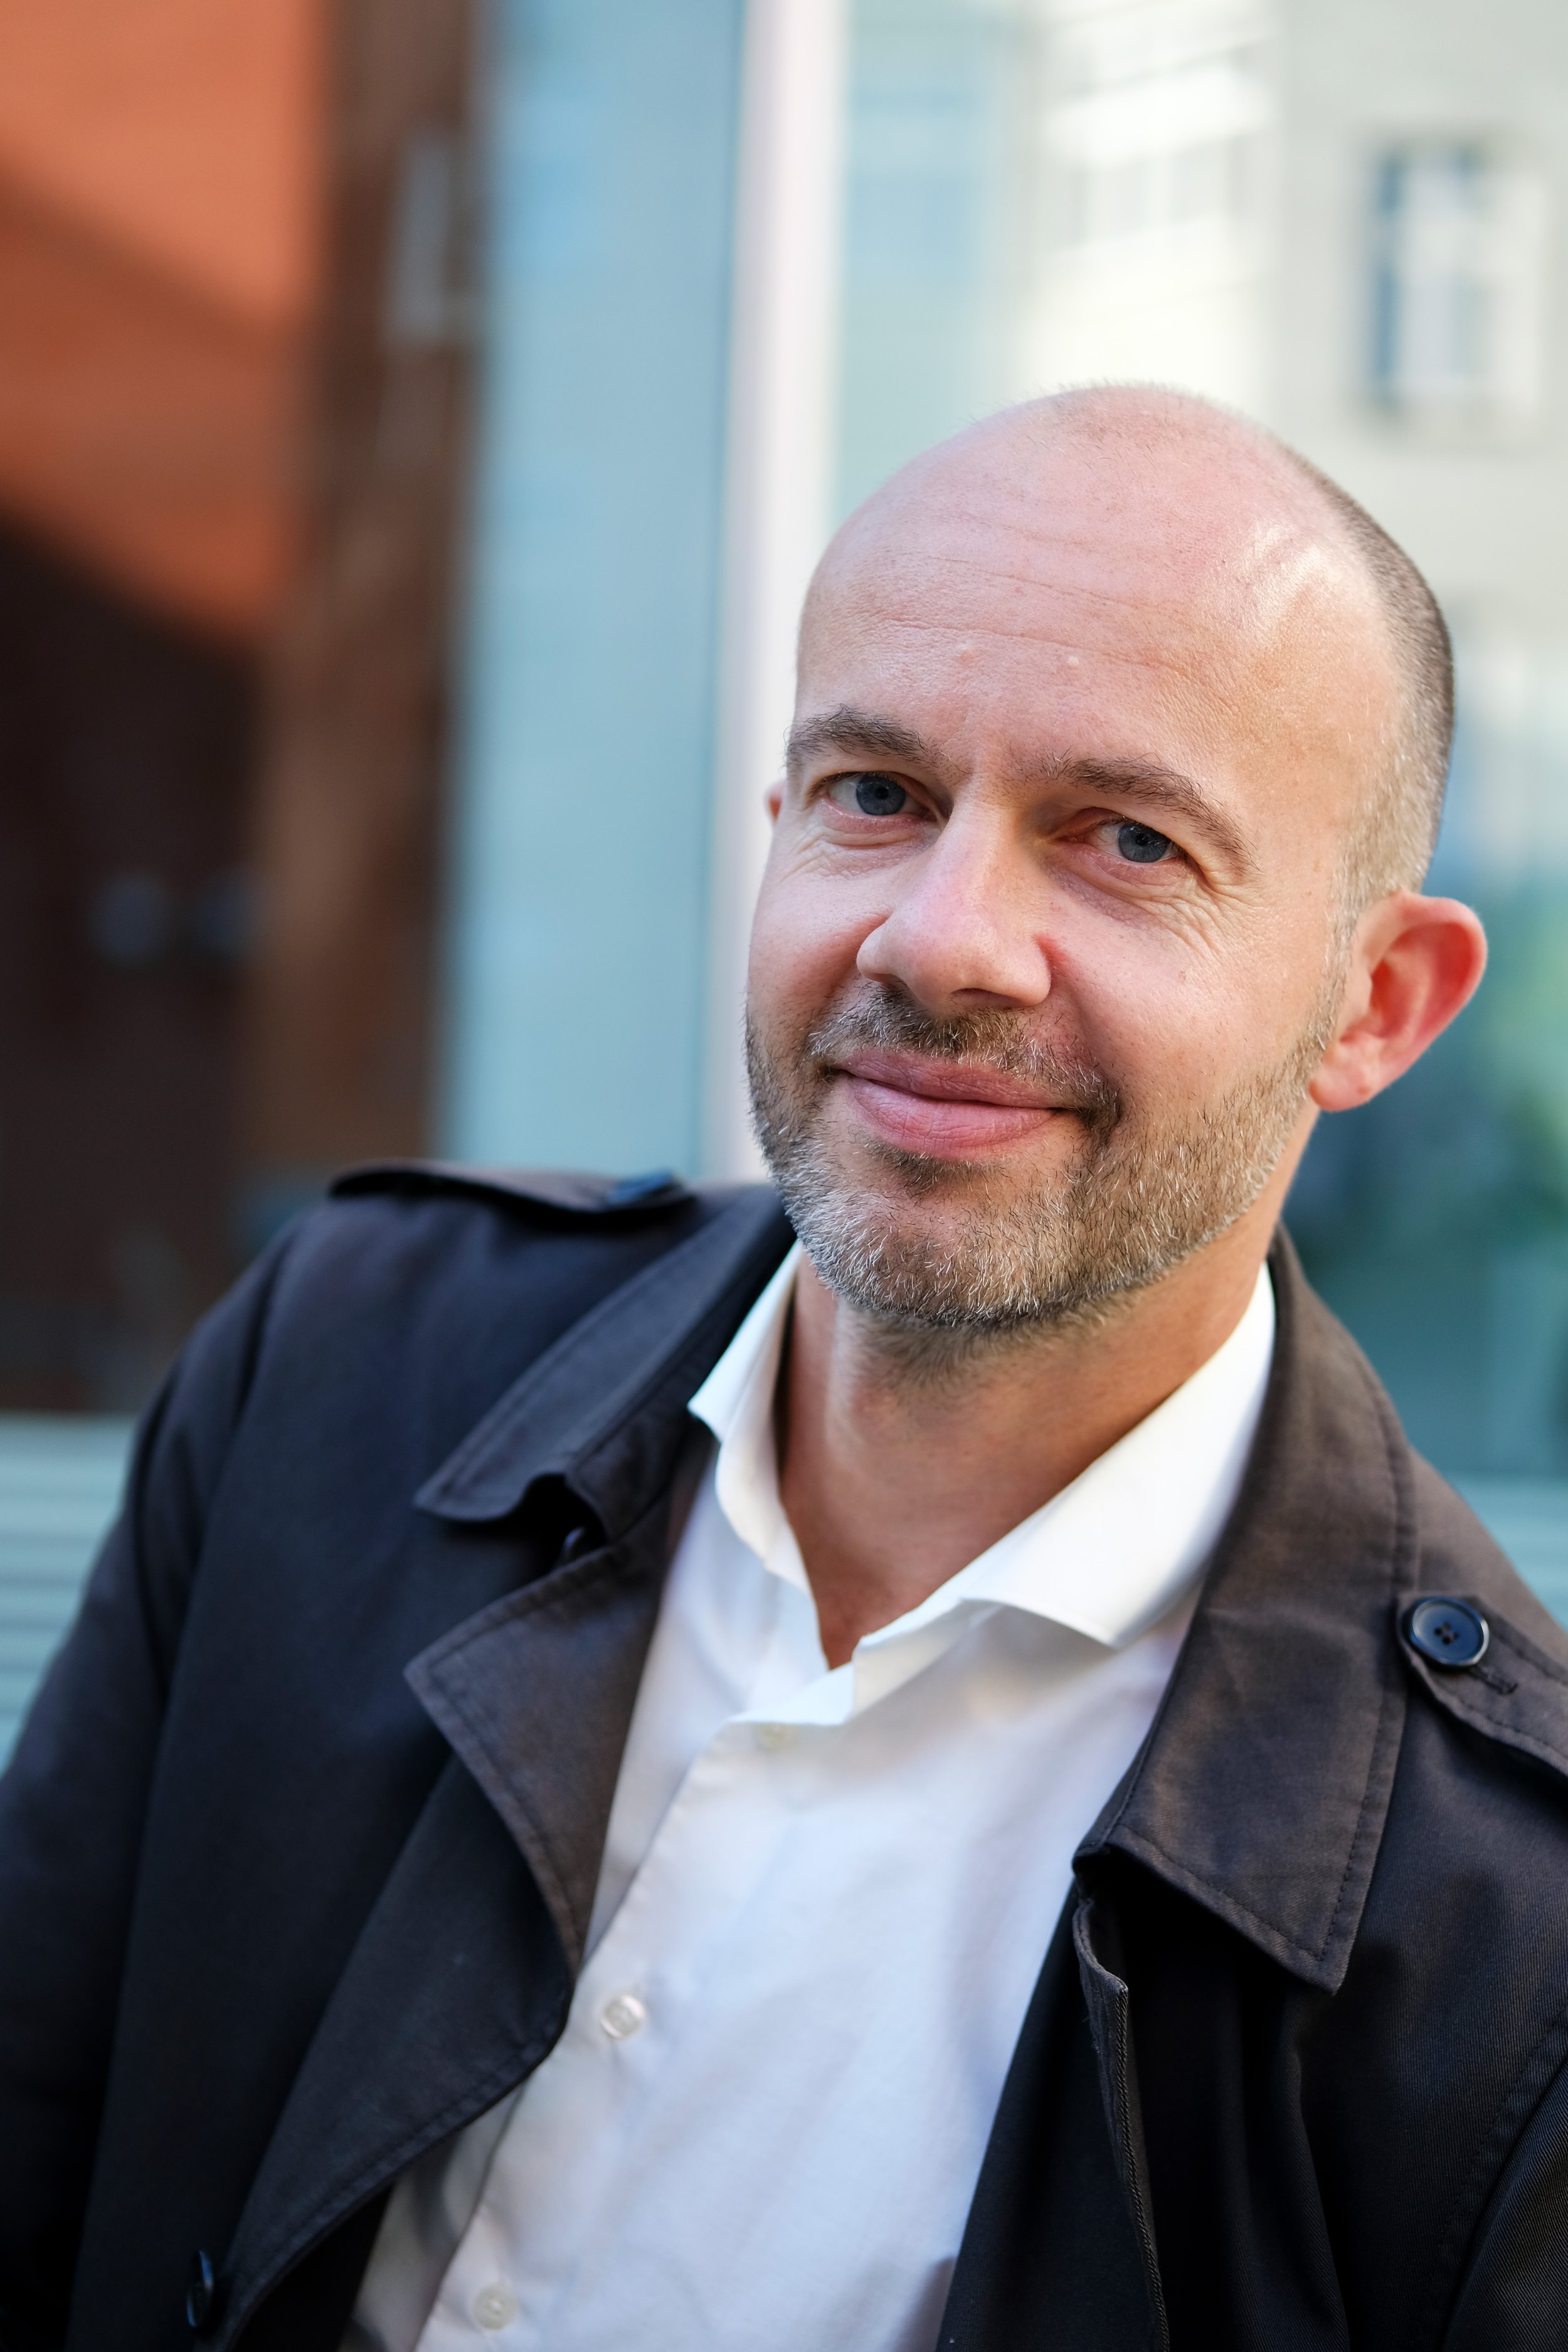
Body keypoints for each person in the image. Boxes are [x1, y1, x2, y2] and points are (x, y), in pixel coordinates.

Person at [3, 386, 1565, 2352]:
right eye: (878, 796)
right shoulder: (345, 1371)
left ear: (1376, 1001)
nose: (939, 940)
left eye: (1124, 839)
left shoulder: (1506, 1939)